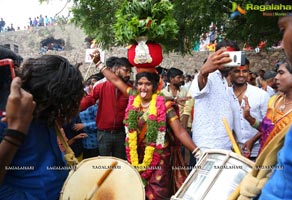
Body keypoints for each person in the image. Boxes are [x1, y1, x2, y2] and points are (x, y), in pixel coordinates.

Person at [90, 50, 201, 199]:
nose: (143, 88)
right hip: (136, 155)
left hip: (159, 157)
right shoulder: (133, 96)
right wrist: (98, 63)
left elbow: (180, 132)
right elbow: (115, 80)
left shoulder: (165, 106)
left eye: (148, 84)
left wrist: (196, 151)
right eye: (140, 84)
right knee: (137, 192)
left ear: (155, 86)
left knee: (156, 195)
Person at [229, 13, 292, 200]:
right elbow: (265, 128)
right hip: (263, 168)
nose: (276, 78)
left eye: (281, 73)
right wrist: (250, 119)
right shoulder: (274, 101)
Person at [0, 55, 84, 200]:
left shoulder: (45, 117)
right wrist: (16, 132)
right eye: (68, 103)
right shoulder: (9, 120)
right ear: (52, 98)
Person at [80, 57, 133, 160]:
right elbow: (89, 100)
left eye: (130, 72)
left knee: (120, 163)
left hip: (121, 133)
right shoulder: (101, 86)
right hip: (104, 134)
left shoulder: (130, 89)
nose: (128, 74)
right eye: (126, 70)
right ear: (116, 69)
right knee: (105, 164)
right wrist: (74, 108)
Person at [189, 40, 238, 151]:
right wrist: (203, 73)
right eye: (223, 56)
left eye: (230, 56)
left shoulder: (225, 80)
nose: (226, 60)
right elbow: (200, 84)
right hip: (208, 146)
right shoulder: (209, 75)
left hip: (225, 145)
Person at [229, 61, 270, 160]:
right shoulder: (225, 95)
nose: (241, 75)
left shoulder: (261, 95)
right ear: (230, 73)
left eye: (245, 71)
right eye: (237, 71)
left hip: (258, 151)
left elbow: (268, 125)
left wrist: (252, 140)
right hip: (234, 152)